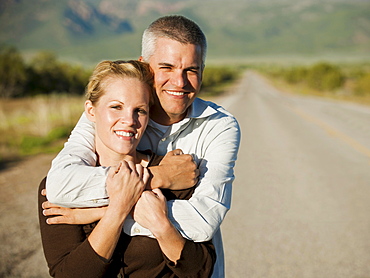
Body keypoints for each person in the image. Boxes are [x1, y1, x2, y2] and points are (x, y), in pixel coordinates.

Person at [45, 15, 241, 278]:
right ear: (145, 66)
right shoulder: (113, 114)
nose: (179, 82)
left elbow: (203, 221)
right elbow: (58, 187)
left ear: (203, 70)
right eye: (167, 67)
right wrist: (160, 177)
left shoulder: (220, 127)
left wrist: (96, 212)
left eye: (191, 70)